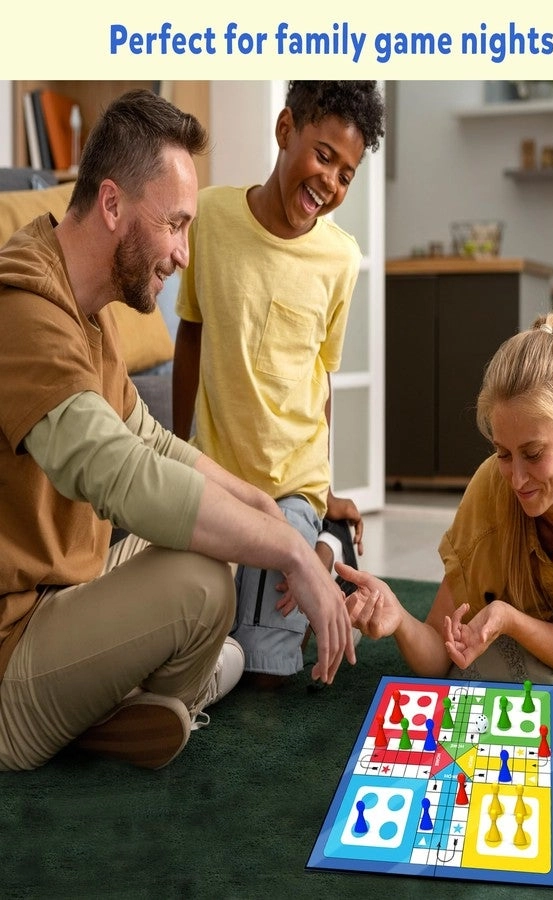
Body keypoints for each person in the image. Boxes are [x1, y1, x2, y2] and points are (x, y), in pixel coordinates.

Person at [0, 89, 355, 773]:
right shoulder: (25, 312)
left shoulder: (83, 299)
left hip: (65, 585)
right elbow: (119, 474)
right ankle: (122, 706)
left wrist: (262, 510)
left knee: (222, 536)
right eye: (176, 225)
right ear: (111, 205)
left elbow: (153, 441)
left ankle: (129, 700)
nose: (185, 255)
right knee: (204, 587)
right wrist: (286, 549)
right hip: (13, 646)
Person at [173, 82, 385, 687]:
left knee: (266, 667)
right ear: (285, 129)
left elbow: (322, 382)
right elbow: (191, 333)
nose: (331, 184)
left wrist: (326, 486)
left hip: (291, 484)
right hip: (217, 478)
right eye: (324, 156)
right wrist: (176, 446)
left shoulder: (341, 260)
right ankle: (328, 544)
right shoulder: (209, 218)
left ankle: (324, 532)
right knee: (194, 621)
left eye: (347, 174)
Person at [340, 312, 553, 681]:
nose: (517, 480)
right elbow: (437, 654)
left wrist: (510, 620)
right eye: (503, 454)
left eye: (534, 453)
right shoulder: (489, 490)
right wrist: (398, 619)